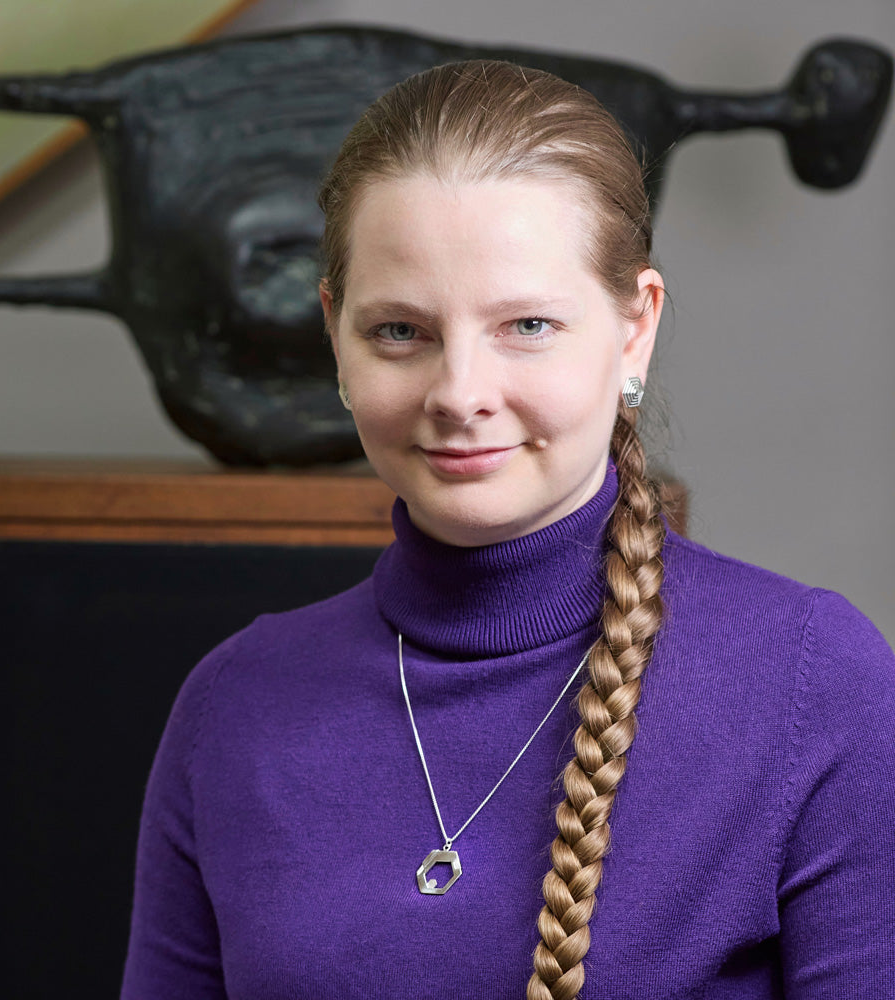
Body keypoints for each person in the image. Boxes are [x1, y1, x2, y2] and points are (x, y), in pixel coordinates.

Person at [120, 61, 895, 1000]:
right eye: (400, 332)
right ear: (335, 335)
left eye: (526, 324)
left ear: (633, 328)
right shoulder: (233, 707)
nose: (459, 395)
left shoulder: (816, 682)